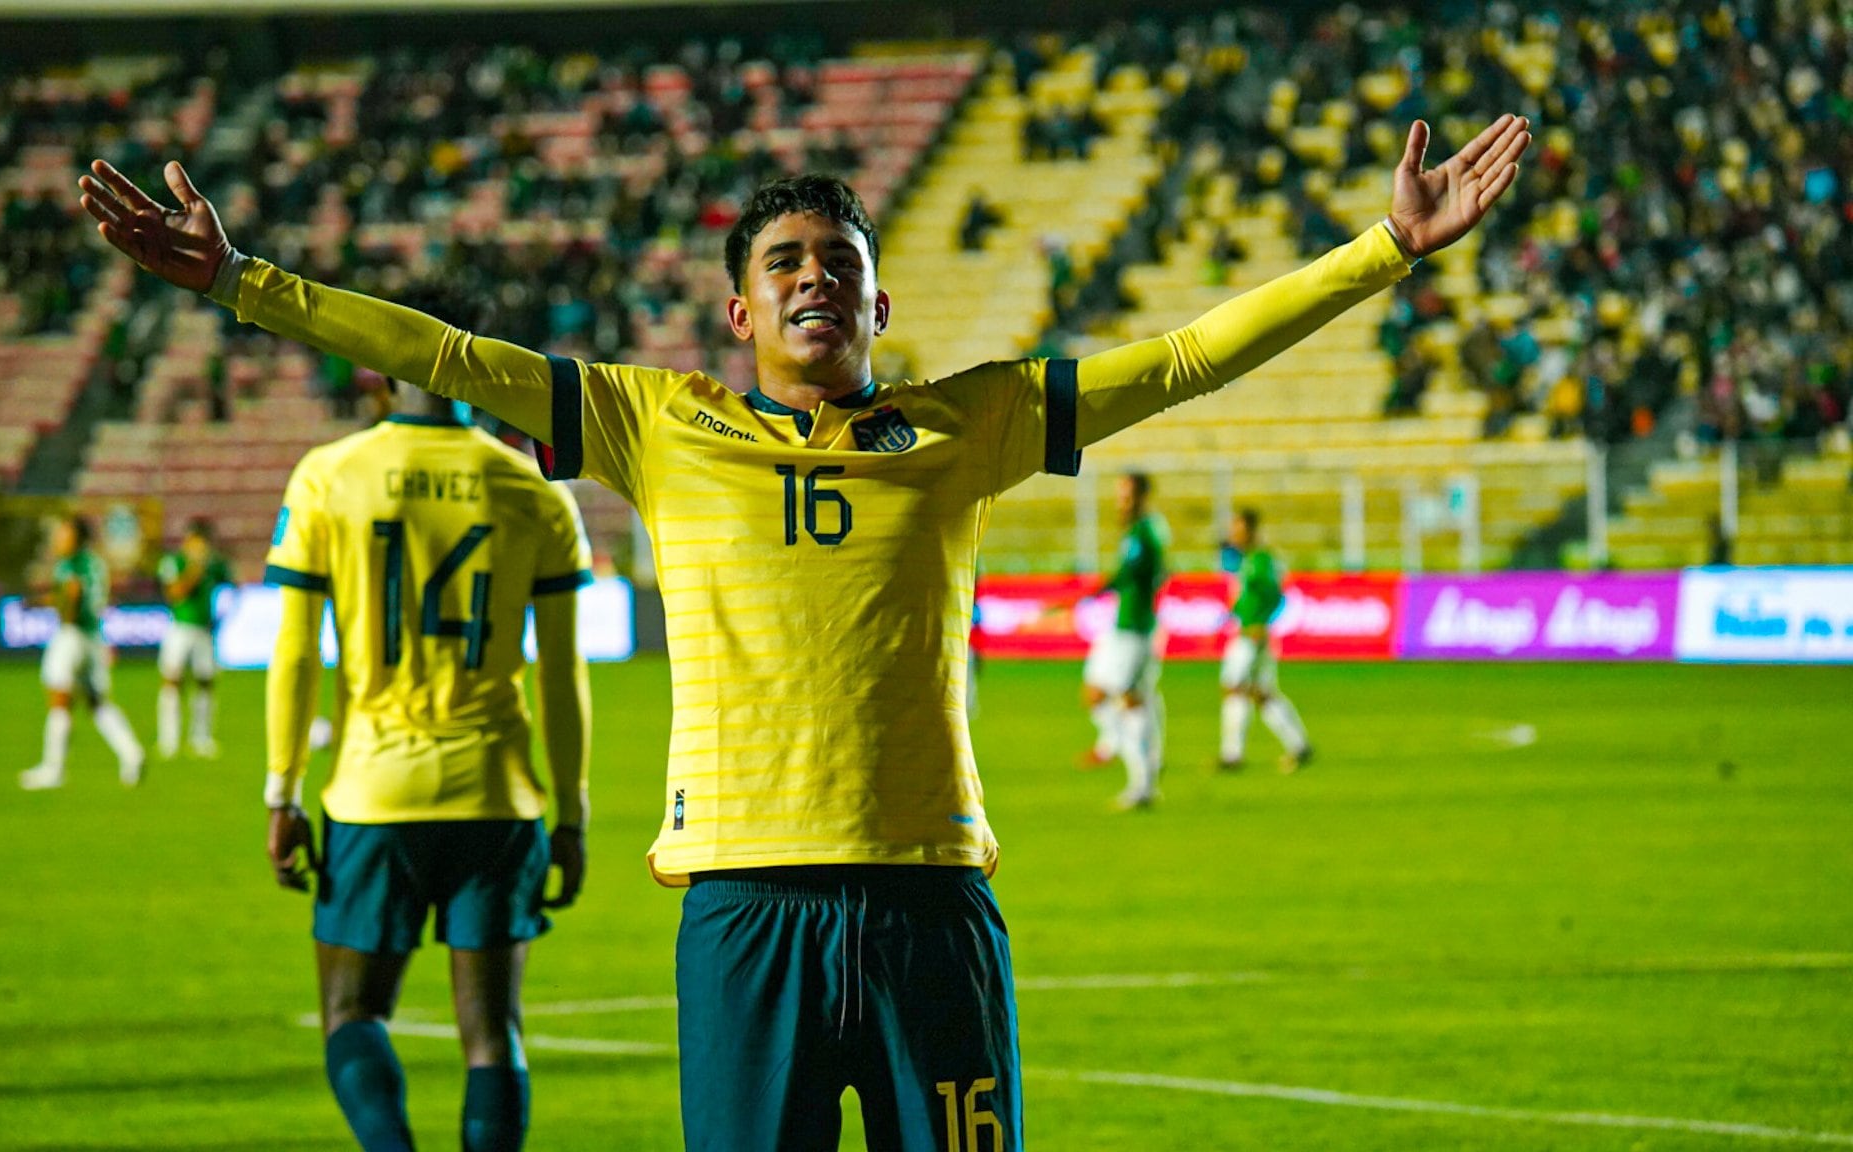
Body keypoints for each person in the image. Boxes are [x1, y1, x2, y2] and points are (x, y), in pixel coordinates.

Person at [81, 111, 1527, 1151]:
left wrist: (1387, 249)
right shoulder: (652, 425)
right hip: (745, 910)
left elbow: (1189, 357)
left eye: (835, 258)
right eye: (783, 262)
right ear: (736, 309)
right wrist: (237, 282)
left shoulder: (973, 421)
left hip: (928, 902)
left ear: (881, 297)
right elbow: (443, 354)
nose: (812, 277)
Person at [258, 375, 594, 1152]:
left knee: (351, 1013)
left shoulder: (330, 474)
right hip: (496, 795)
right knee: (492, 1034)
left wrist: (283, 791)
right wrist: (571, 818)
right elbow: (562, 674)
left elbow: (297, 651)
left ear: (380, 368)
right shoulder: (532, 489)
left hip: (374, 796)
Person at [18, 515, 145, 790]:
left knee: (59, 699)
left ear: (77, 538)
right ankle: (132, 752)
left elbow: (71, 596)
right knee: (97, 703)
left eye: (63, 534)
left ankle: (54, 769)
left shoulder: (70, 564)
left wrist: (54, 607)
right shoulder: (95, 563)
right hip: (93, 637)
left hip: (71, 635)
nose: (58, 539)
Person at [1077, 472, 1169, 810]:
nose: (1121, 502)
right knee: (1096, 693)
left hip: (1135, 626)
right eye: (1119, 494)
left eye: (1127, 495)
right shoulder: (1144, 531)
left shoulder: (1144, 532)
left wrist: (1089, 593)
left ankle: (1144, 785)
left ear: (1142, 496)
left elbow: (1128, 574)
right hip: (1124, 624)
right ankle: (1120, 747)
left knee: (1132, 699)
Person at [1216, 508, 1312, 774]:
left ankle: (1232, 754)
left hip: (1253, 635)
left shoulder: (1260, 559)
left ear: (1250, 529)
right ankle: (1300, 746)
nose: (1233, 533)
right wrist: (1231, 615)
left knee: (1235, 687)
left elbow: (1275, 594)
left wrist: (1261, 622)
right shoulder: (1248, 560)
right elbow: (1249, 596)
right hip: (1248, 632)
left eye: (1237, 527)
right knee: (1260, 693)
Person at [154, 518, 233, 760]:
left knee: (205, 682)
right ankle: (169, 739)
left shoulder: (215, 564)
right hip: (180, 628)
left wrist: (221, 617)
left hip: (204, 630)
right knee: (172, 680)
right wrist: (194, 570)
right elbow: (174, 593)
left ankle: (201, 737)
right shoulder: (175, 561)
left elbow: (231, 586)